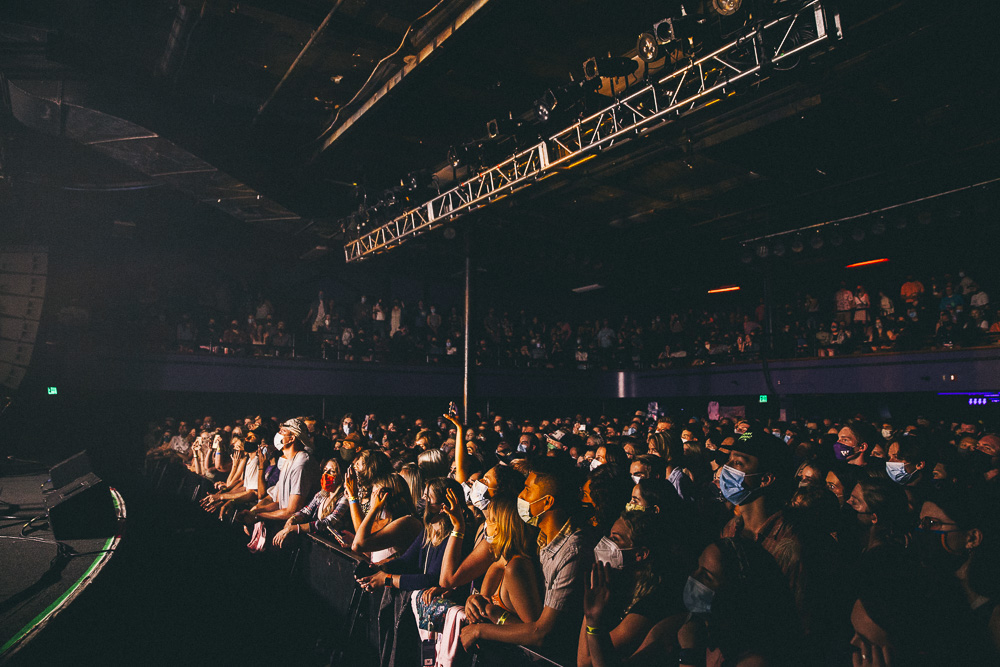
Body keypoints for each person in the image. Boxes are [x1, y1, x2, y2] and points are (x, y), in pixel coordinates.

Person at [460, 457, 590, 666]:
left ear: (547, 501)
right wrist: (477, 600)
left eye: (528, 490)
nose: (520, 495)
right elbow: (500, 564)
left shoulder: (572, 551)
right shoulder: (538, 537)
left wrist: (480, 629)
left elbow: (542, 632)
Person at [579, 510, 685, 667]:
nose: (605, 543)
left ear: (640, 554)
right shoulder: (620, 584)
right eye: (609, 536)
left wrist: (591, 613)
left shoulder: (652, 603)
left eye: (615, 539)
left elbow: (585, 661)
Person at [462, 495, 543, 627]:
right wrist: (472, 601)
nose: (485, 523)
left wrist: (497, 615)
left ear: (500, 527)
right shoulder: (500, 562)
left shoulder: (516, 568)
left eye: (489, 519)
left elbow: (533, 631)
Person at [240, 418, 318, 526]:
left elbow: (291, 511)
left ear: (291, 438)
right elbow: (278, 503)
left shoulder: (301, 464)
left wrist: (258, 516)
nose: (278, 434)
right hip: (281, 524)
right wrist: (255, 511)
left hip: (295, 531)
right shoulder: (287, 461)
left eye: (283, 431)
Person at [272, 458, 346, 548]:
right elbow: (306, 511)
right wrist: (293, 519)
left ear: (341, 476)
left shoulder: (344, 498)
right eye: (325, 470)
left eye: (332, 472)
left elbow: (327, 523)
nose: (326, 474)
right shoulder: (321, 495)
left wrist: (294, 528)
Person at [351, 473, 423, 563]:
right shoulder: (385, 521)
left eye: (376, 494)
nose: (373, 499)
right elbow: (373, 551)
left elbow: (358, 545)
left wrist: (374, 509)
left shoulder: (407, 522)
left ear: (387, 496)